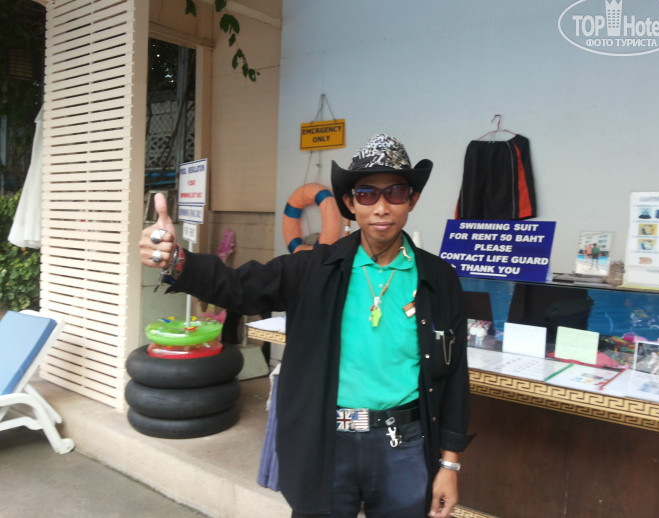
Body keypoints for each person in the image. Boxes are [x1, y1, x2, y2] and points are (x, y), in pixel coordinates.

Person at [140, 134, 473, 518]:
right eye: (367, 194)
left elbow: (454, 377)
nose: (382, 207)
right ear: (350, 203)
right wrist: (176, 260)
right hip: (327, 443)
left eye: (395, 193)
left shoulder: (439, 279)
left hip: (406, 446)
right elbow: (239, 286)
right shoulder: (315, 268)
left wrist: (449, 465)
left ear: (412, 200)